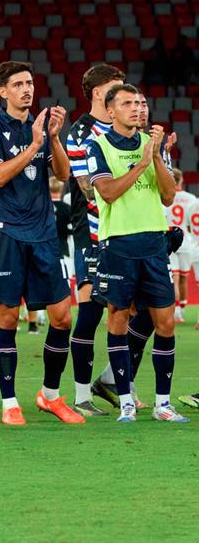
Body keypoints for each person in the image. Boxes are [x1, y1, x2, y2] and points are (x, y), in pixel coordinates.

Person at [0, 60, 81, 426]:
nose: (27, 89)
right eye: (19, 84)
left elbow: (65, 174)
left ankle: (50, 395)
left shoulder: (42, 126)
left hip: (44, 234)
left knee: (62, 317)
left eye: (30, 83)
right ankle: (9, 403)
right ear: (2, 91)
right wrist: (35, 142)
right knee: (7, 316)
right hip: (8, 234)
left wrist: (52, 137)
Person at [85, 83, 187, 422]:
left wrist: (156, 156)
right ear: (111, 111)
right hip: (118, 245)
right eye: (129, 103)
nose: (138, 109)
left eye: (142, 103)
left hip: (154, 244)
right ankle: (126, 400)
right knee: (117, 319)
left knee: (166, 322)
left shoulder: (151, 146)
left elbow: (169, 195)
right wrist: (142, 164)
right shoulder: (96, 146)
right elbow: (109, 193)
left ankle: (163, 404)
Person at [64, 63, 125, 416]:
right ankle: (82, 395)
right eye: (117, 87)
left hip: (127, 231)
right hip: (91, 231)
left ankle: (114, 381)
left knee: (144, 310)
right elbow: (89, 188)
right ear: (100, 92)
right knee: (91, 311)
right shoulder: (81, 131)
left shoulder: (127, 126)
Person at [165, 169, 196, 323]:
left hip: (169, 239)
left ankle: (175, 310)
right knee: (184, 278)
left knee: (174, 278)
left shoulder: (164, 197)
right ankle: (180, 311)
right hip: (186, 242)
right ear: (181, 179)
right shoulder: (191, 198)